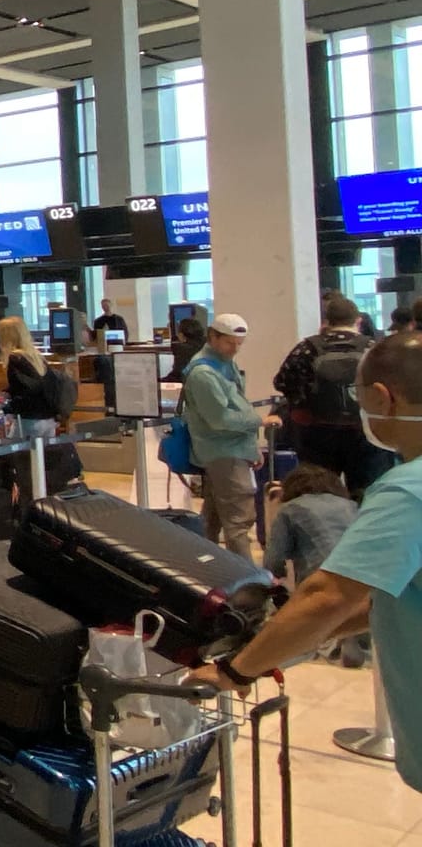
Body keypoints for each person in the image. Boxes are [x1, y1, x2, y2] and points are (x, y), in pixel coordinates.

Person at [190, 332, 422, 793]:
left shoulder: (405, 492)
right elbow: (385, 599)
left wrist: (232, 672)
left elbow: (329, 595)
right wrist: (280, 644)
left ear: (381, 397)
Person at [179, 314, 278, 560]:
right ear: (213, 337)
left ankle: (207, 571)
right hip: (223, 453)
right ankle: (248, 584)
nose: (234, 349)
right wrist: (260, 421)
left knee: (212, 519)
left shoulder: (223, 363)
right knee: (239, 523)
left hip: (230, 450)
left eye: (239, 344)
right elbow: (220, 419)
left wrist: (251, 447)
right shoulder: (203, 373)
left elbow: (238, 405)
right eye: (229, 343)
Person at [275, 295, 389, 500]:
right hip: (364, 430)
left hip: (318, 433)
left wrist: (303, 404)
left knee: (319, 492)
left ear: (326, 321)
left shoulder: (308, 348)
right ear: (358, 321)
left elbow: (282, 382)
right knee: (366, 492)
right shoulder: (373, 347)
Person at [262, 465, 369, 667]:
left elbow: (274, 559)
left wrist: (272, 584)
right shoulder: (350, 505)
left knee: (313, 610)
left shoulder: (290, 509)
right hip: (362, 569)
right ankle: (356, 638)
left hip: (322, 571)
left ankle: (325, 640)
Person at [0, 317, 59, 440]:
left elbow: (23, 390)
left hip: (30, 417)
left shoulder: (15, 358)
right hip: (48, 417)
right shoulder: (35, 356)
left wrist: (6, 407)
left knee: (15, 455)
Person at [164, 315, 208, 383]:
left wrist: (158, 381)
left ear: (181, 335)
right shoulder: (207, 345)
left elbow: (177, 375)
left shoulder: (183, 350)